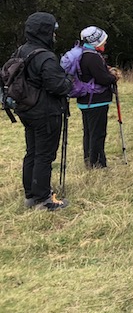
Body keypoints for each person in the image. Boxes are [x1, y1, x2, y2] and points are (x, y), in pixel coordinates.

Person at [14, 12, 73, 211]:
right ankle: (43, 199)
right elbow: (58, 86)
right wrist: (68, 80)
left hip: (27, 109)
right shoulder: (46, 57)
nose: (55, 35)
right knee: (44, 155)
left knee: (32, 151)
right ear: (45, 32)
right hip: (46, 112)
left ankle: (31, 194)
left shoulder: (22, 50)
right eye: (53, 31)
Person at [75, 26, 121, 169]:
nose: (105, 43)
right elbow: (103, 78)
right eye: (103, 41)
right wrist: (113, 77)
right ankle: (97, 163)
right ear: (96, 41)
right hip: (96, 101)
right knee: (98, 133)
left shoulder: (82, 54)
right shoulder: (92, 57)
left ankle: (89, 160)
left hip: (85, 101)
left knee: (89, 133)